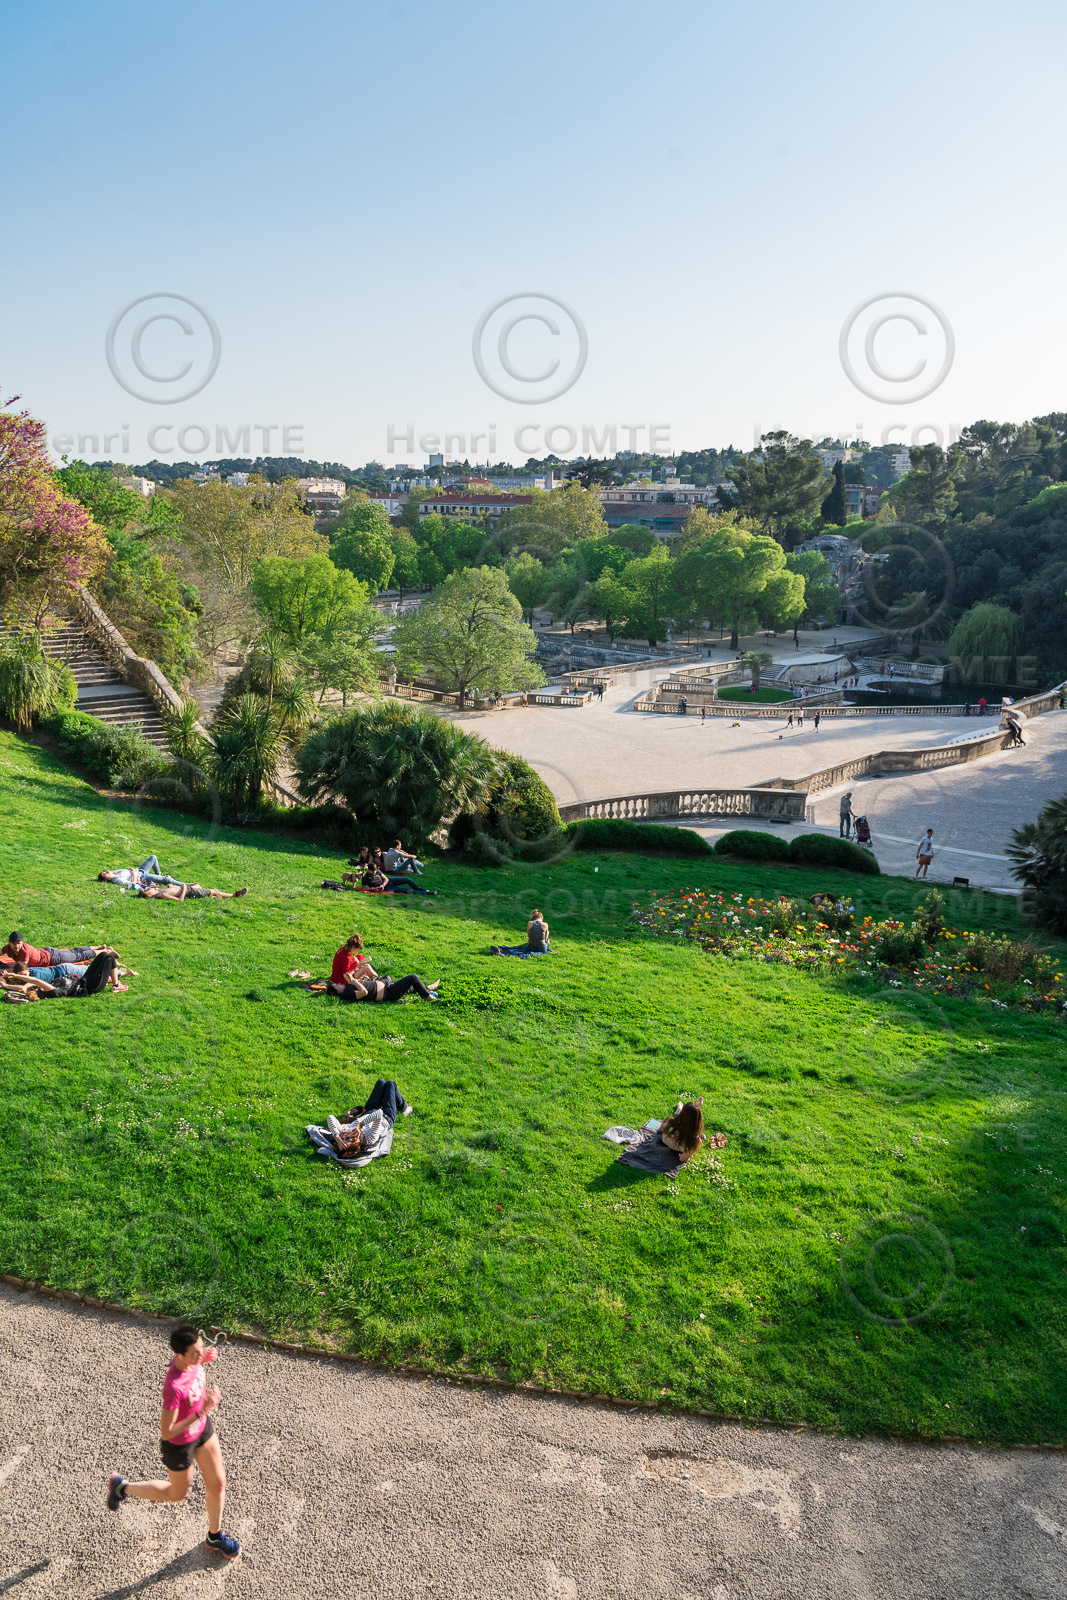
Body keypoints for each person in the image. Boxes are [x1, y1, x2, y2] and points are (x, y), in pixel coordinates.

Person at [106, 1322, 239, 1561]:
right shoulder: (173, 1388)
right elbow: (167, 1432)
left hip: (202, 1430)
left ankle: (214, 1536)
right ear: (179, 1355)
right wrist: (202, 1411)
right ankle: (121, 1487)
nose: (200, 1354)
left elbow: (196, 1366)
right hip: (179, 1444)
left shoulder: (193, 1361)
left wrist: (204, 1359)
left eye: (201, 1348)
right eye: (195, 1354)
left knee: (218, 1483)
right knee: (176, 1494)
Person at [2, 951, 126, 998]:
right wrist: (15, 977)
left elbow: (34, 981)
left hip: (84, 978)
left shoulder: (51, 984)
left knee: (103, 956)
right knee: (109, 959)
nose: (41, 985)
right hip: (91, 986)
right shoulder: (54, 991)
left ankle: (118, 978)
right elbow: (35, 980)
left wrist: (11, 977)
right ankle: (116, 985)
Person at [2, 932, 114, 968]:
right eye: (14, 944)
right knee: (74, 951)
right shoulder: (7, 948)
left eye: (19, 944)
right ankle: (99, 946)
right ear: (9, 943)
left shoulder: (25, 951)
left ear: (22, 943)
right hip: (46, 951)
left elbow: (22, 967)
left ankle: (105, 951)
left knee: (77, 956)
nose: (17, 946)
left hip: (53, 958)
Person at [327, 971, 440, 1003]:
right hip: (388, 993)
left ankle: (428, 988)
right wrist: (355, 982)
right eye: (337, 985)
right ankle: (428, 996)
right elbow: (364, 992)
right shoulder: (346, 994)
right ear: (336, 991)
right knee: (412, 978)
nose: (340, 984)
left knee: (408, 986)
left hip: (388, 986)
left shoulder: (347, 988)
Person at [658, 1098, 705, 1164]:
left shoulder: (669, 1121)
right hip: (679, 1149)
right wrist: (688, 1157)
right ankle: (696, 1108)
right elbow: (682, 1159)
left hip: (665, 1140)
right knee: (701, 1137)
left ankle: (682, 1110)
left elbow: (661, 1129)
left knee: (682, 1117)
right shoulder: (695, 1139)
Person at [98, 855, 183, 890]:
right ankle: (184, 885)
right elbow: (132, 885)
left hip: (141, 870)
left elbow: (111, 871)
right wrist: (134, 874)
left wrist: (131, 870)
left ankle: (157, 876)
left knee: (153, 857)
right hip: (142, 876)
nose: (107, 871)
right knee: (167, 879)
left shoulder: (114, 874)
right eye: (105, 873)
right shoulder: (117, 879)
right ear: (107, 878)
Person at [138, 883, 247, 900]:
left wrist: (169, 885)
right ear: (149, 895)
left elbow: (171, 888)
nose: (150, 888)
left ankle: (217, 897)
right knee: (214, 890)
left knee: (198, 885)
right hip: (190, 892)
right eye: (148, 890)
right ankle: (234, 895)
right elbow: (180, 900)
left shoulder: (159, 890)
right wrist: (184, 887)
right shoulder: (163, 895)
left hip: (189, 888)